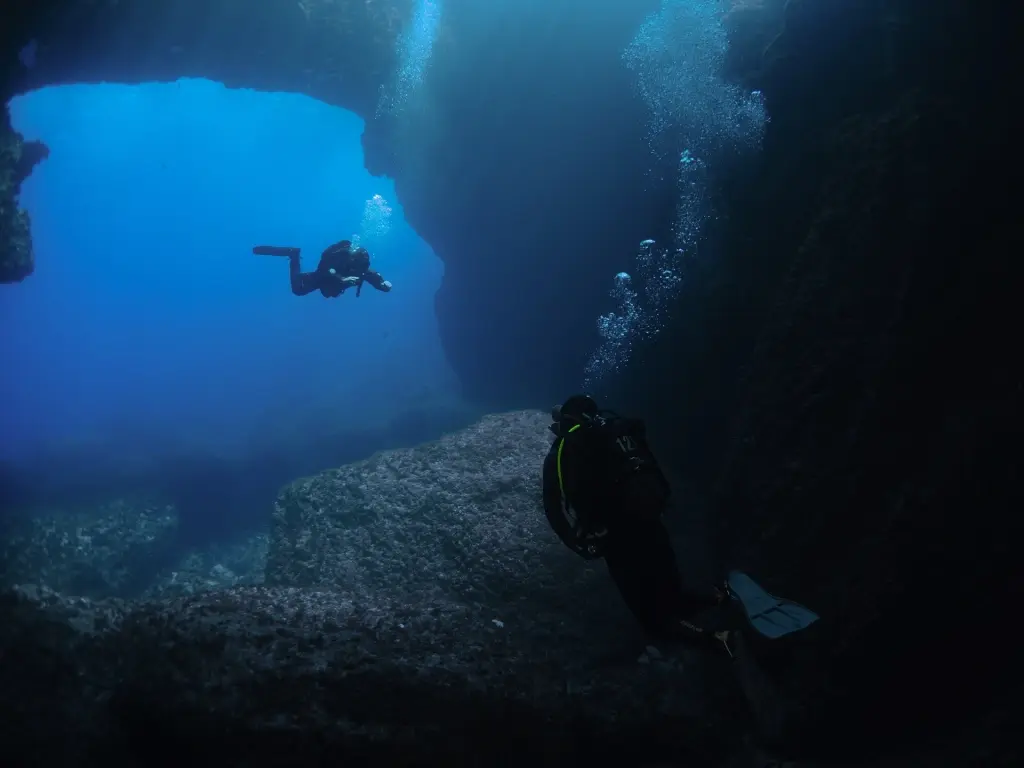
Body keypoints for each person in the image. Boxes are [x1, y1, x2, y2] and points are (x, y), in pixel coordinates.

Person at [541, 394, 737, 656]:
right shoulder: (618, 433)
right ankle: (722, 597)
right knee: (674, 593)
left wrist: (576, 543)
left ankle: (718, 640)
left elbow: (553, 510)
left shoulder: (564, 450)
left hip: (616, 540)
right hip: (651, 520)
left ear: (564, 419)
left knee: (653, 620)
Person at [253, 240, 392, 298]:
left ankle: (294, 255)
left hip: (328, 284)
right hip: (323, 277)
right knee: (298, 290)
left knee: (301, 285)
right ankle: (293, 254)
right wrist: (342, 278)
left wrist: (382, 285)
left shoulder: (361, 268)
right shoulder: (341, 258)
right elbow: (327, 270)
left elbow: (372, 276)